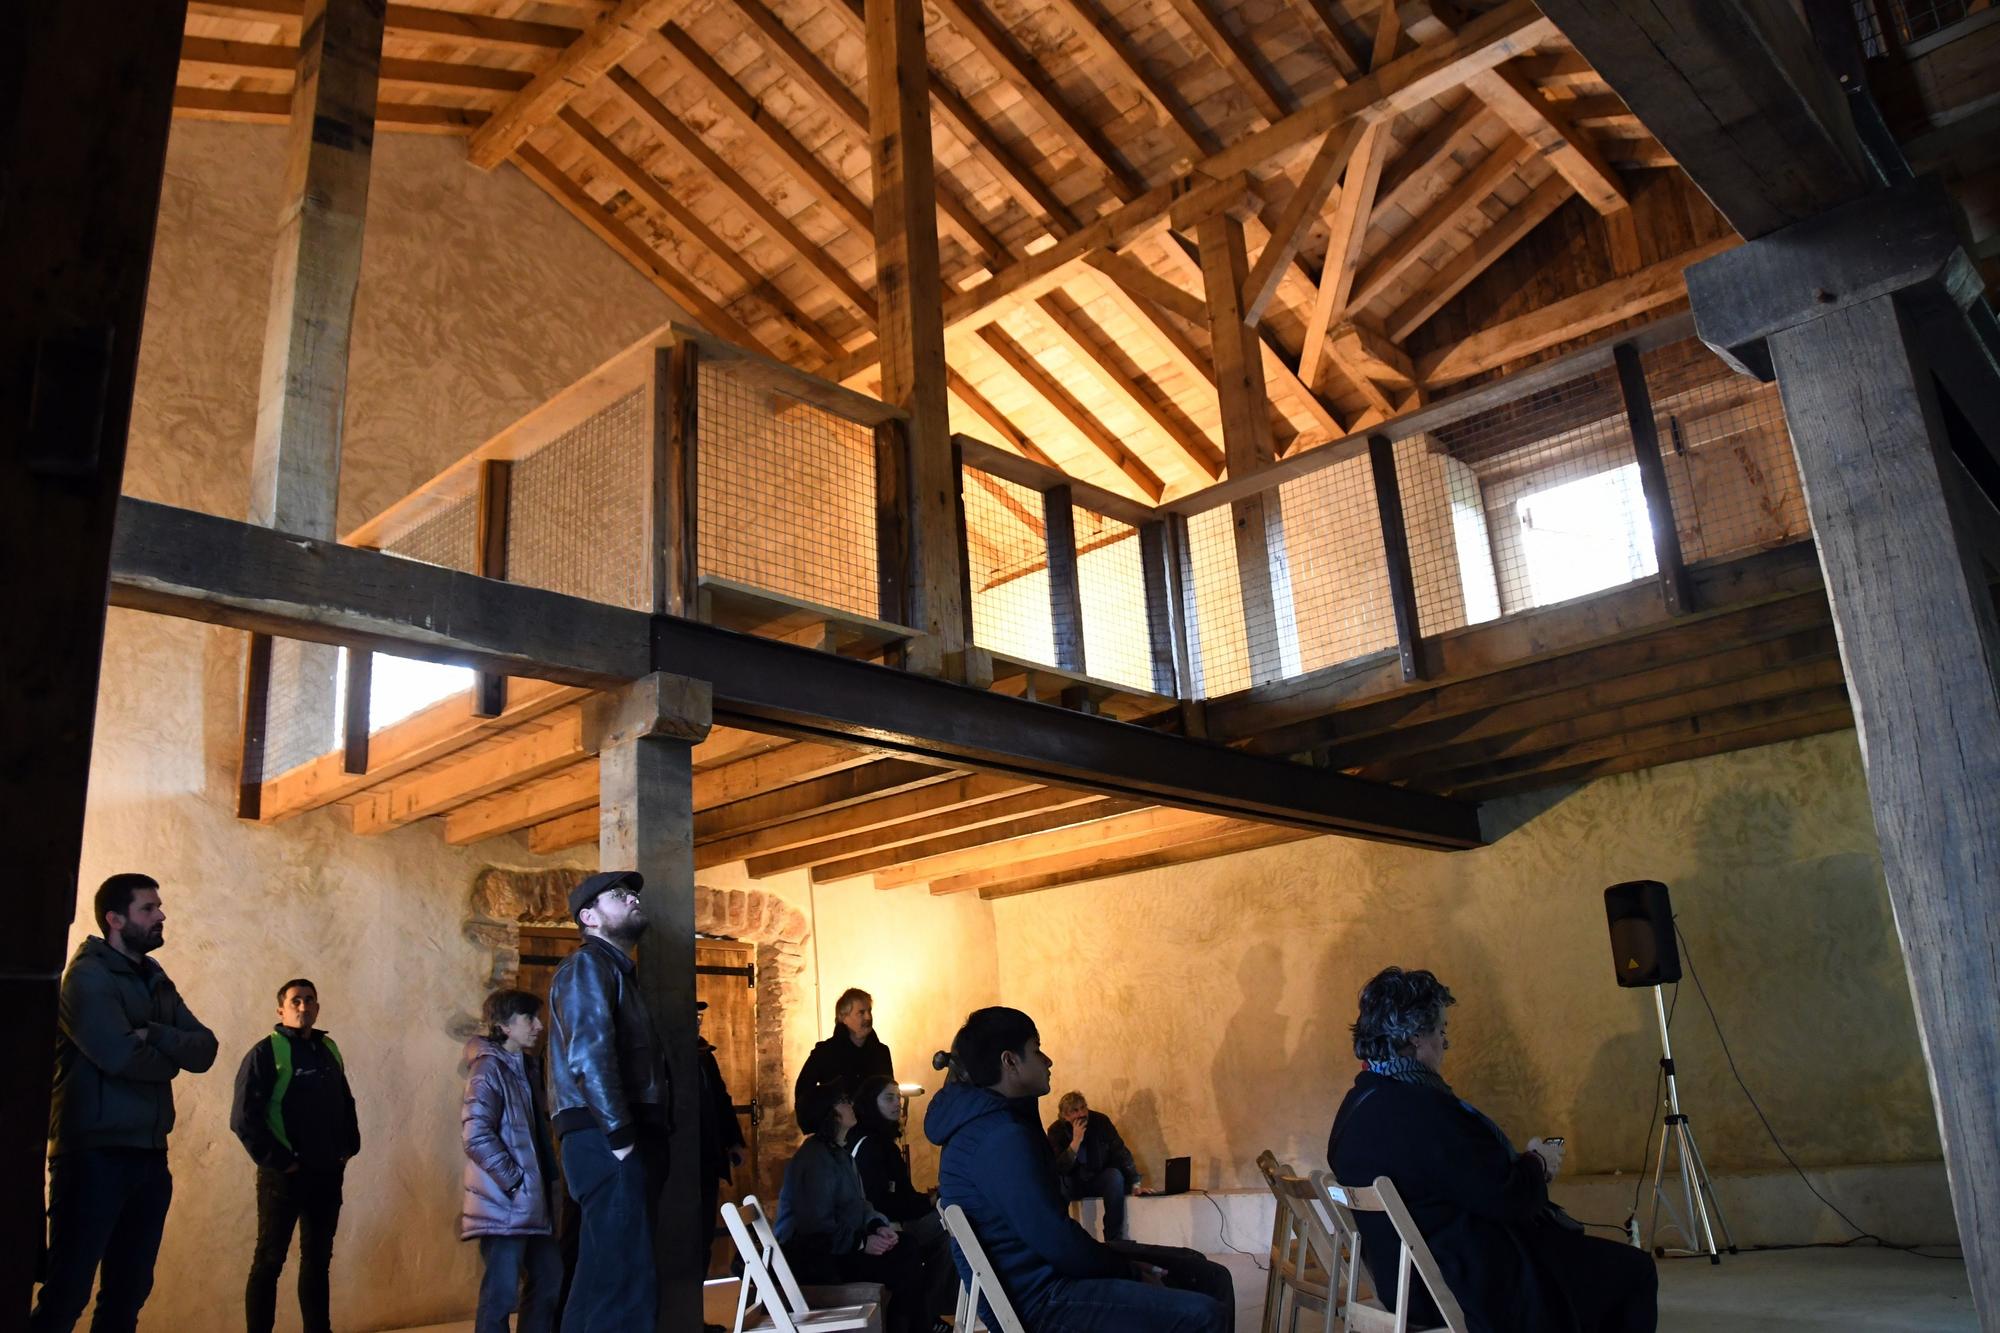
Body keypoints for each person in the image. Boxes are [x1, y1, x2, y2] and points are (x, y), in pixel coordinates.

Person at [1328, 967, 1658, 1333]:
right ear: (1417, 1037)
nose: (1445, 1044)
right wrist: (1539, 1163)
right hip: (1469, 1285)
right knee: (1635, 1270)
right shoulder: (1423, 1111)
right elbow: (1509, 1198)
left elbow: (1466, 1179)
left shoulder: (1356, 1106)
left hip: (1404, 1285)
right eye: (1441, 1031)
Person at [925, 1007, 1232, 1333]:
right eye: (1036, 1049)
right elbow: (1056, 1240)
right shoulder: (999, 1136)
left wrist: (1121, 1264)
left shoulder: (989, 1122)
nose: (1048, 1061)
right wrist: (1129, 1271)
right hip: (1043, 1299)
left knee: (1202, 1272)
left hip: (1049, 1275)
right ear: (1010, 1061)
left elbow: (1054, 1237)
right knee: (1205, 1312)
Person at [34, 873, 218, 1333]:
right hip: (92, 1156)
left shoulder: (155, 977)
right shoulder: (87, 977)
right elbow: (119, 1055)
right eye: (148, 908)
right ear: (115, 919)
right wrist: (169, 1060)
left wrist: (152, 1032)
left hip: (149, 1156)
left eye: (159, 906)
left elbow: (205, 1049)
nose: (161, 915)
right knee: (67, 1293)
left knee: (128, 1293)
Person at [547, 869, 670, 1333]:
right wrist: (620, 1137)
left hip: (611, 1136)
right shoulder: (588, 966)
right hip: (607, 1137)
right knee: (624, 1286)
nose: (633, 899)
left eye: (632, 893)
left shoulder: (614, 971)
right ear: (589, 917)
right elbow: (588, 1054)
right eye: (619, 895)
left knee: (602, 1278)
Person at [230, 978, 362, 1333]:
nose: (303, 1006)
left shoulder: (328, 1048)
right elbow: (243, 1119)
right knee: (269, 1261)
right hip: (283, 1178)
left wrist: (348, 1148)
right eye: (295, 1001)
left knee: (318, 1262)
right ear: (281, 1010)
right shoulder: (265, 1052)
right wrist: (282, 1161)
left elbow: (345, 1101)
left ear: (317, 1008)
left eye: (309, 1000)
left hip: (326, 1174)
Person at [776, 1081, 937, 1333]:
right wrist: (862, 1243)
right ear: (829, 1112)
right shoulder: (814, 1159)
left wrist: (877, 1226)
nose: (850, 1104)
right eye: (843, 1101)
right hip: (816, 1258)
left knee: (905, 1247)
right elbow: (815, 1227)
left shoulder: (840, 1154)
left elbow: (860, 1205)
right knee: (904, 1260)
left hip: (837, 1249)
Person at [462, 988, 563, 1333]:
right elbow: (476, 1134)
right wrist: (516, 1181)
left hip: (532, 1201)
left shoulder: (526, 1067)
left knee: (549, 1277)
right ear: (504, 1026)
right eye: (529, 1018)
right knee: (501, 1293)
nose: (539, 1025)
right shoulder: (488, 1069)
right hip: (506, 1203)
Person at [851, 1074, 957, 1324]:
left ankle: (932, 1309)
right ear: (871, 1102)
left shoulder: (883, 1141)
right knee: (953, 1226)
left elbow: (901, 1195)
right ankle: (930, 1311)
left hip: (899, 1217)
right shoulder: (870, 1145)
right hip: (885, 1225)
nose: (897, 1104)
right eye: (889, 1098)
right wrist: (928, 1202)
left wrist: (927, 1200)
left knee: (952, 1227)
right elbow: (881, 1201)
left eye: (898, 1098)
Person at [1048, 1091, 1142, 1242]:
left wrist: (1135, 1182)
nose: (1082, 1114)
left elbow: (1120, 1151)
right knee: (1058, 1184)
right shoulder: (1056, 1130)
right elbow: (1059, 1167)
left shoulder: (1100, 1121)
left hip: (1096, 1177)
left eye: (1083, 1107)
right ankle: (1060, 1238)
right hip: (1072, 1182)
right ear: (1065, 1116)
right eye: (1075, 1110)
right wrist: (1076, 1142)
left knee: (1114, 1176)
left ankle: (1114, 1239)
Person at [696, 999, 747, 1276]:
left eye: (699, 1016)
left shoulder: (705, 1056)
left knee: (703, 1234)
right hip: (683, 1160)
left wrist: (734, 1141)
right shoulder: (668, 1054)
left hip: (707, 1157)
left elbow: (721, 1100)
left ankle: (697, 1299)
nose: (697, 1021)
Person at [794, 987, 892, 1115]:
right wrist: (825, 1119)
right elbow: (803, 1094)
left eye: (869, 1011)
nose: (868, 1017)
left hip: (876, 1126)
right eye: (861, 1012)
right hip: (840, 1126)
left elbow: (890, 1092)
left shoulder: (881, 1052)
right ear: (843, 1017)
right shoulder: (825, 1053)